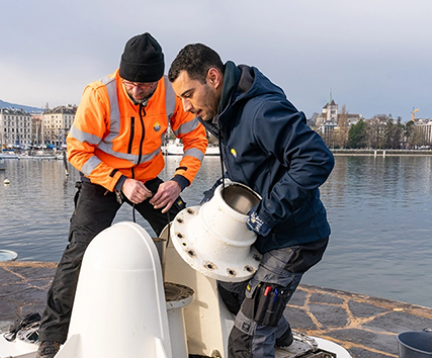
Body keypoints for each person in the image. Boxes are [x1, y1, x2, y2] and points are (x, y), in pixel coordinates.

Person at [37, 33, 208, 358]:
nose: (136, 90)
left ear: (157, 79)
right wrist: (118, 183)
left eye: (144, 85)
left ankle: (204, 320)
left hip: (149, 181)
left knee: (189, 238)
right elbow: (77, 152)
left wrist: (179, 181)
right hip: (101, 182)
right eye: (129, 82)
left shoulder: (169, 96)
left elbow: (196, 141)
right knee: (79, 253)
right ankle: (51, 337)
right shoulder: (100, 95)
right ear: (121, 73)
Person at [168, 44, 334, 358]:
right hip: (264, 233)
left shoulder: (260, 112)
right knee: (230, 286)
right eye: (180, 98)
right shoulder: (224, 114)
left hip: (295, 240)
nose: (185, 107)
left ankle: (263, 335)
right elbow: (248, 172)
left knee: (245, 341)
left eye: (188, 94)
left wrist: (268, 212)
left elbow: (317, 159)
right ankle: (279, 336)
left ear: (213, 78)